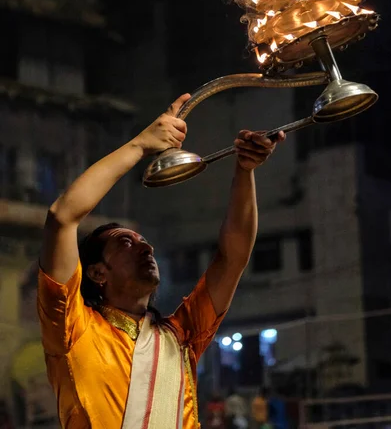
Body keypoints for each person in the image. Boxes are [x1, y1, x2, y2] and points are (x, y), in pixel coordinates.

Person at [37, 93, 285, 429]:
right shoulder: (72, 327)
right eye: (125, 242)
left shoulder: (181, 334)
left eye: (143, 241)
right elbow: (62, 217)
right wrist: (140, 146)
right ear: (97, 272)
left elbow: (233, 257)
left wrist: (245, 170)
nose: (146, 248)